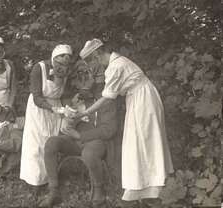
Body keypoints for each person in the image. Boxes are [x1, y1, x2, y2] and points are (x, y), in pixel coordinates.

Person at [74, 38, 174, 202]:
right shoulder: (116, 63)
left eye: (91, 60)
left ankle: (152, 185)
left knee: (145, 138)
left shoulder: (117, 66)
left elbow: (107, 98)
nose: (92, 65)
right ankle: (145, 185)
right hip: (138, 97)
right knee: (141, 139)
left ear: (98, 53)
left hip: (143, 99)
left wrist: (83, 113)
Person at [39, 60, 119, 207]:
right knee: (51, 143)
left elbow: (110, 129)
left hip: (96, 141)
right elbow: (66, 128)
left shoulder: (106, 98)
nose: (80, 84)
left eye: (85, 79)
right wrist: (70, 116)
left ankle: (99, 189)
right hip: (77, 140)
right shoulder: (77, 99)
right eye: (78, 80)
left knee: (89, 153)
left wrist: (80, 136)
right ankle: (54, 190)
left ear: (94, 80)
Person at [20, 44, 73, 188]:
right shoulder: (40, 68)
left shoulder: (67, 72)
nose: (64, 61)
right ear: (54, 58)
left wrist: (68, 109)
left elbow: (66, 95)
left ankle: (50, 180)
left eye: (67, 59)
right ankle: (35, 182)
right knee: (36, 145)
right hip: (39, 109)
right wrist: (52, 108)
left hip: (55, 110)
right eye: (61, 58)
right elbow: (37, 97)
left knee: (50, 142)